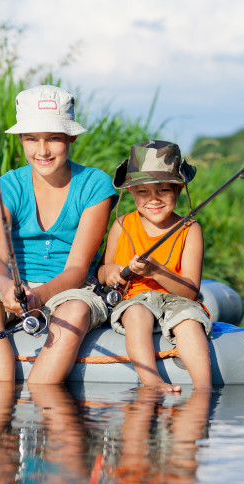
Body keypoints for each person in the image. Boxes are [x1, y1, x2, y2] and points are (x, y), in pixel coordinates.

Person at [0, 85, 116, 384]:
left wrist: (39, 296)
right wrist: (6, 288)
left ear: (71, 137)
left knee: (77, 311)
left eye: (53, 138)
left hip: (70, 289)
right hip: (14, 286)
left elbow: (78, 269)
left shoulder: (95, 185)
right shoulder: (6, 187)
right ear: (21, 139)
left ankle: (41, 393)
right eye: (31, 138)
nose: (42, 150)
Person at [98, 140, 212, 392]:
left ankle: (204, 388)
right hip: (134, 298)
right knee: (137, 314)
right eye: (143, 192)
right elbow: (105, 271)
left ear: (179, 189)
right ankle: (152, 383)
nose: (153, 199)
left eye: (163, 190)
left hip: (176, 299)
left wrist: (156, 272)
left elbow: (190, 291)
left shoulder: (190, 230)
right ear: (130, 193)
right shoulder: (122, 226)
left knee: (189, 322)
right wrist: (112, 272)